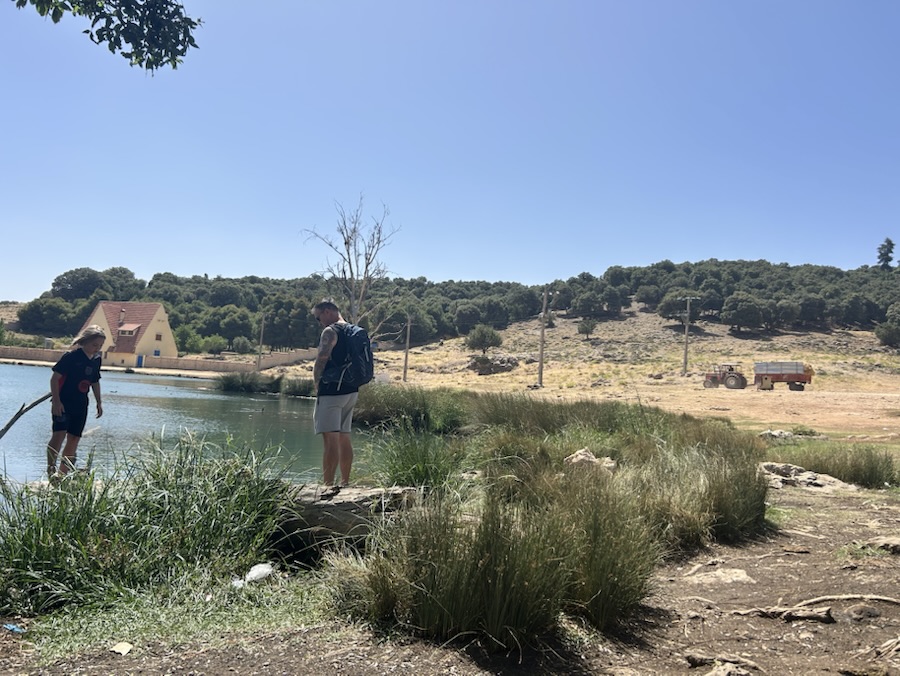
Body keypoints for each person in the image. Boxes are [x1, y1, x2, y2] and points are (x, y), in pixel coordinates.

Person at [46, 325, 105, 478]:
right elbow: (54, 379)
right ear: (84, 341)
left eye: (100, 346)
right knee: (59, 435)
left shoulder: (96, 360)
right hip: (63, 403)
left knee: (74, 438)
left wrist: (99, 402)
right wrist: (56, 402)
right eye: (94, 345)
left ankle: (62, 474)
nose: (97, 349)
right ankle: (51, 470)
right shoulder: (70, 357)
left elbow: (95, 382)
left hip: (81, 405)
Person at [311, 300, 358, 490]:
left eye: (318, 317)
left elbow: (321, 359)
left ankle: (328, 486)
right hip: (351, 390)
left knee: (330, 439)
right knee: (344, 437)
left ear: (327, 312)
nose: (319, 322)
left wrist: (317, 383)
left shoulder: (330, 331)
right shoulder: (353, 331)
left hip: (332, 390)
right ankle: (345, 483)